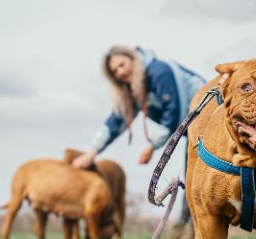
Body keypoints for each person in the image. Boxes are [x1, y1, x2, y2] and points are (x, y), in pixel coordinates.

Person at [73, 45, 206, 224]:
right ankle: (186, 225)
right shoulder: (135, 88)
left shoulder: (159, 72)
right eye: (114, 71)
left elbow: (173, 112)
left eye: (122, 65)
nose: (119, 72)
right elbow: (117, 121)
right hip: (192, 129)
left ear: (133, 59)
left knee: (195, 174)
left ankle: (187, 225)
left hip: (208, 119)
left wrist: (152, 147)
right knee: (193, 174)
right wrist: (92, 152)